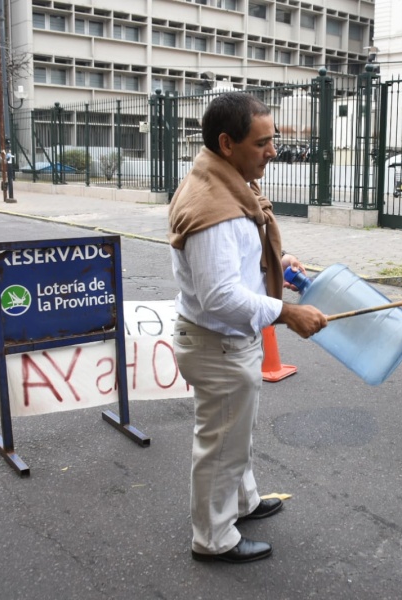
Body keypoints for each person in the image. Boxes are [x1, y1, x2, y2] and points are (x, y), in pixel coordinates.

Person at [168, 92, 327, 563]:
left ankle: (242, 502)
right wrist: (285, 312)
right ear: (226, 143)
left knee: (234, 433)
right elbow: (219, 295)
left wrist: (274, 265)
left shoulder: (226, 182)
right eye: (262, 143)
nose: (273, 152)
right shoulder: (212, 206)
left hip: (226, 341)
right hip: (217, 344)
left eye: (272, 140)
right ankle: (213, 538)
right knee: (220, 444)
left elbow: (233, 269)